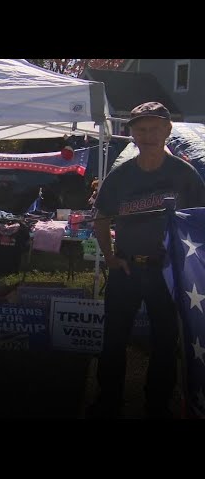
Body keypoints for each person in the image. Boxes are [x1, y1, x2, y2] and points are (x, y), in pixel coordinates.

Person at [88, 102, 205, 418]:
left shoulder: (185, 175)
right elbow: (101, 218)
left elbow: (200, 222)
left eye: (155, 128)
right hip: (126, 268)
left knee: (166, 342)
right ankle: (108, 399)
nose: (148, 135)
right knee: (113, 340)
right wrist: (110, 257)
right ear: (131, 134)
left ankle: (158, 403)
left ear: (168, 130)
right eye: (141, 129)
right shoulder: (121, 175)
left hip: (166, 274)